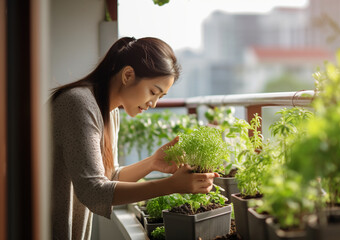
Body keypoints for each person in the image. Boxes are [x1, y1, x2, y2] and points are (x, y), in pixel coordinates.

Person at [49, 37, 219, 239]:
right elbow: (94, 192)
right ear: (128, 75)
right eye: (153, 92)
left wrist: (153, 162)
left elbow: (108, 178)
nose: (153, 103)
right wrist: (171, 185)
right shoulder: (78, 104)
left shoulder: (109, 111)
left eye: (160, 97)